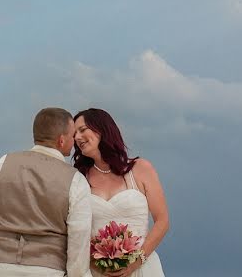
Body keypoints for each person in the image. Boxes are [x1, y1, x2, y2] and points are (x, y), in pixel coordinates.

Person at [0, 107, 93, 277]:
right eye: (72, 134)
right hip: (48, 270)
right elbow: (79, 237)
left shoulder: (3, 163)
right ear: (61, 140)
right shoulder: (76, 180)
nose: (75, 139)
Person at [72, 109, 169, 277]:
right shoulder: (79, 178)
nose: (77, 137)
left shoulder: (140, 168)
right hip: (99, 271)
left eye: (82, 130)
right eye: (74, 133)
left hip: (142, 268)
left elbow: (162, 221)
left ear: (101, 129)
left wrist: (135, 263)